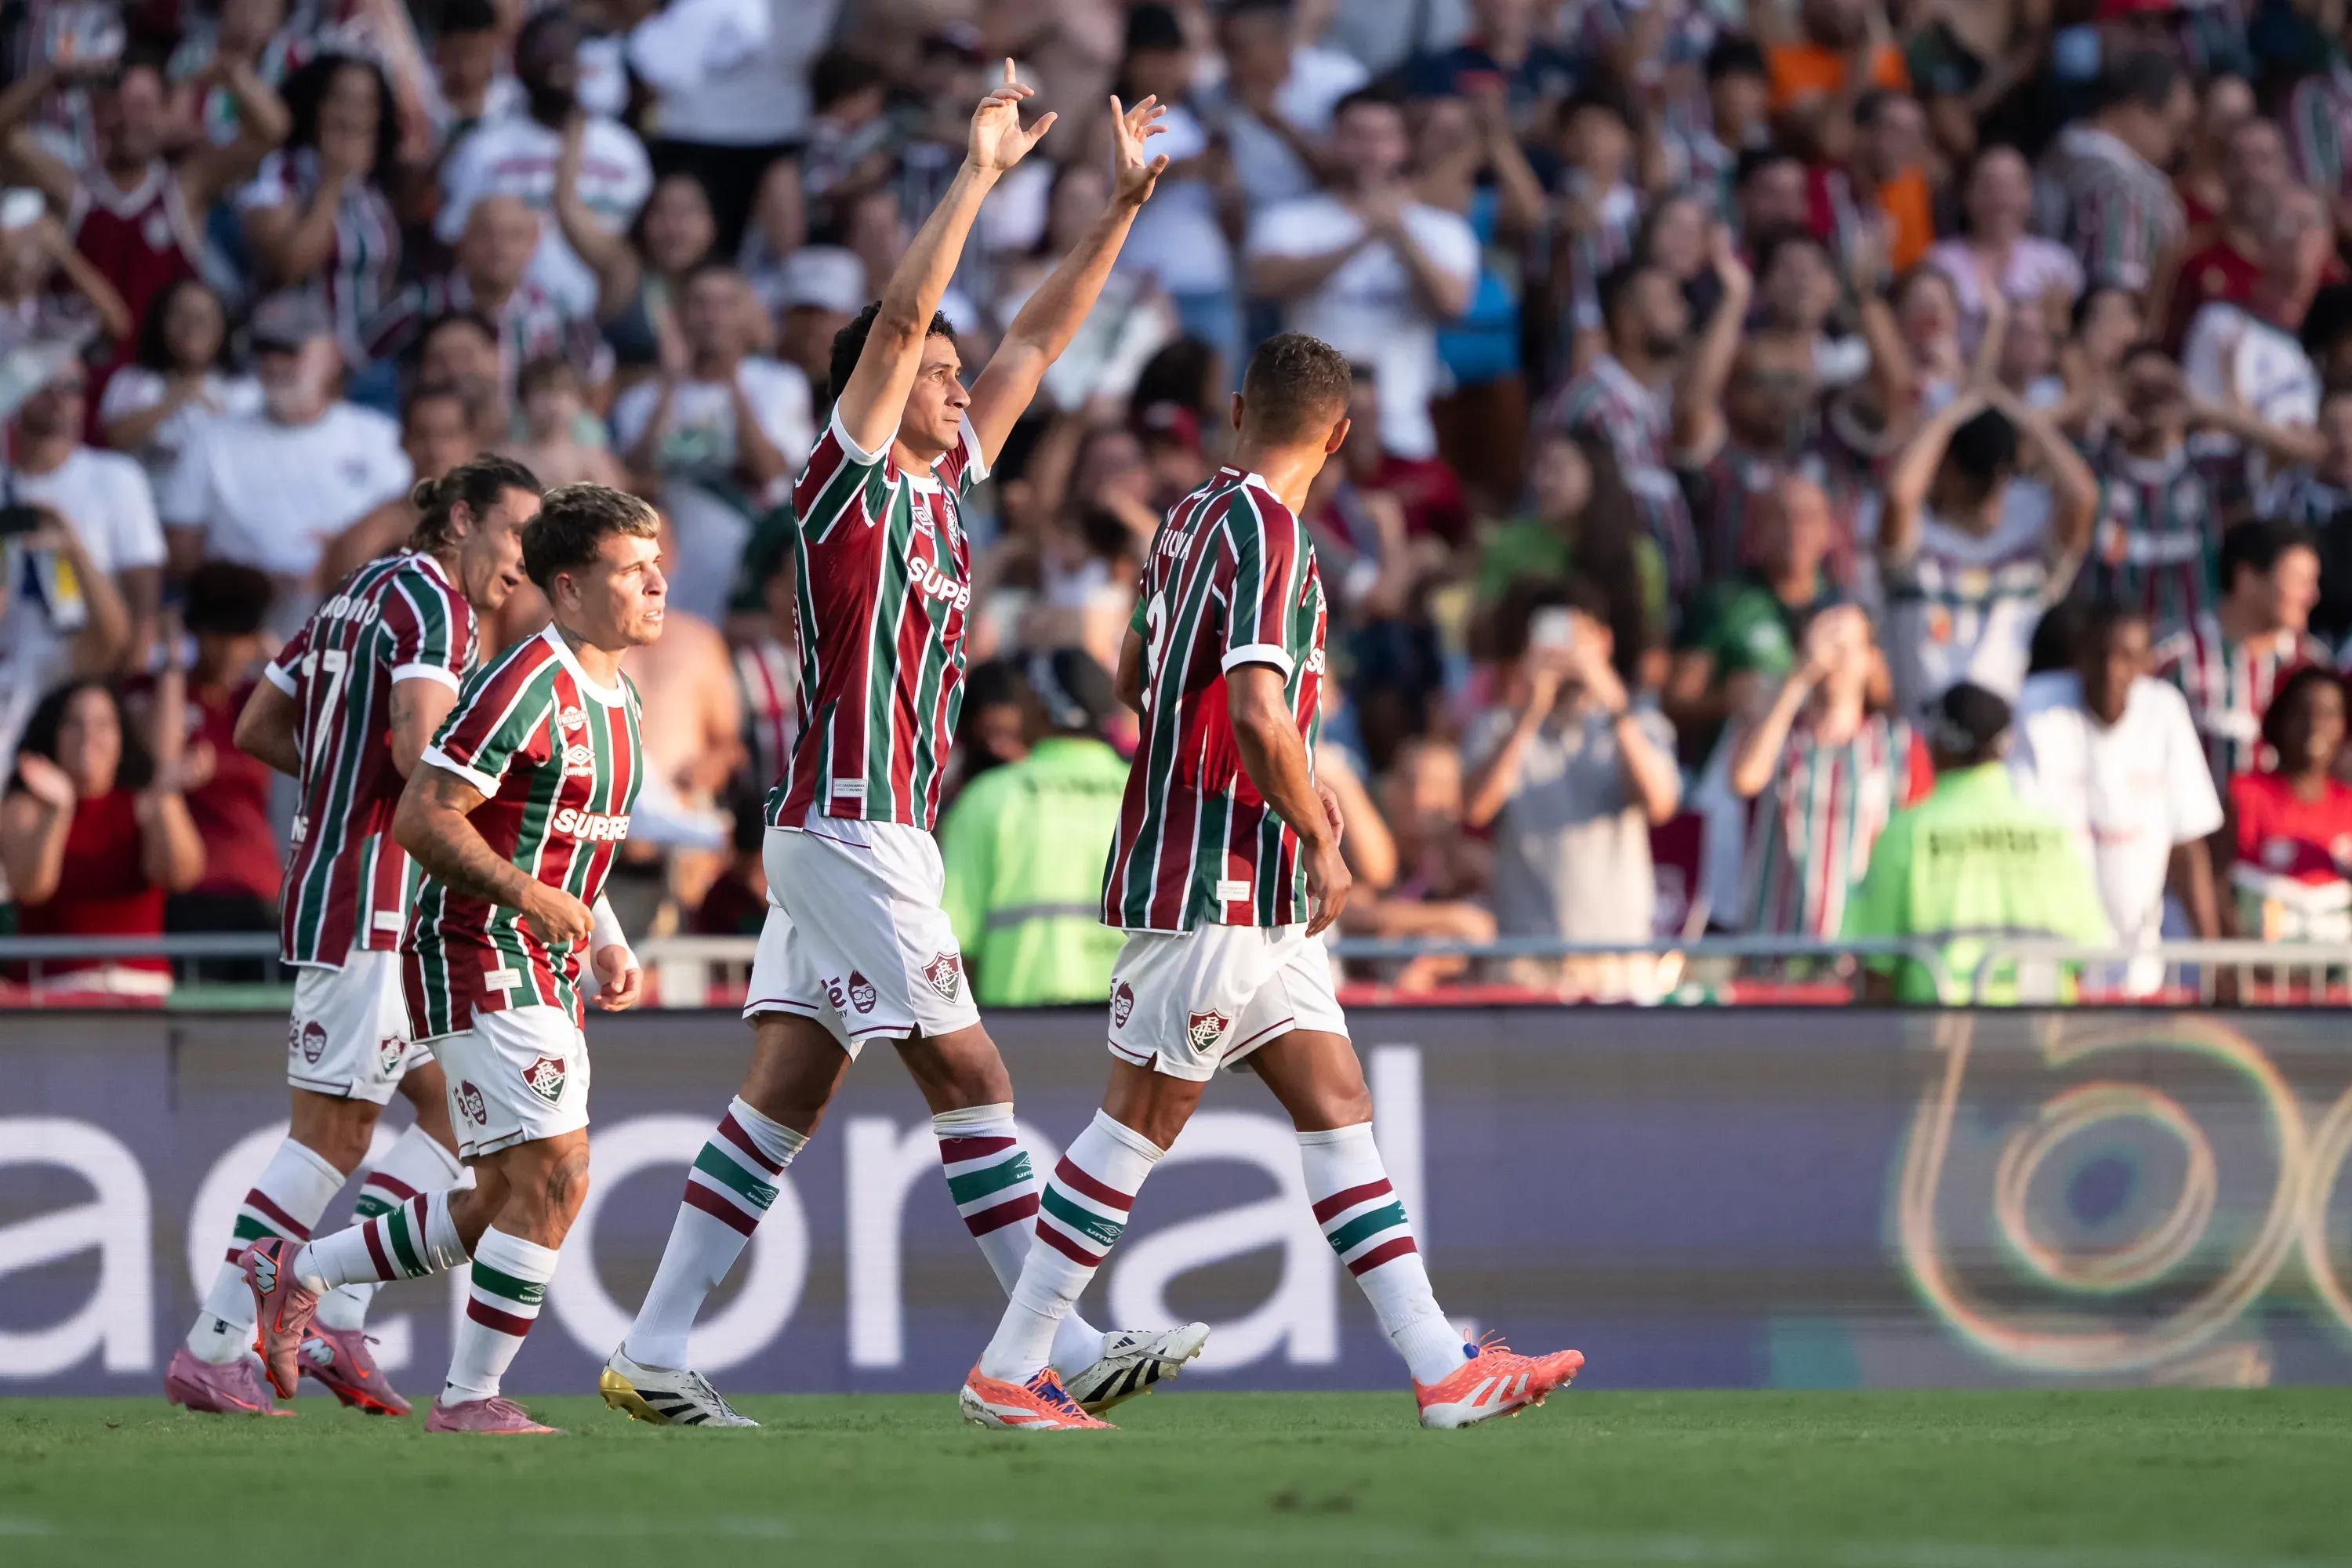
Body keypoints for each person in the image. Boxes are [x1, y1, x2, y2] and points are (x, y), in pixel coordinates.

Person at [599, 68, 1201, 1430]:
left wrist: (1117, 210)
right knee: (972, 1075)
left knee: (784, 1097)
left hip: (876, 831)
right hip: (848, 821)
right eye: (932, 373)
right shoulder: (848, 479)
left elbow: (1035, 342)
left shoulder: (945, 486)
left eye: (949, 376)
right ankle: (1045, 1349)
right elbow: (909, 317)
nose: (953, 383)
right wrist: (977, 176)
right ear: (874, 389)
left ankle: (652, 1347)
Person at [962, 329, 1582, 1432]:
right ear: (1338, 436)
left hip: (1250, 877)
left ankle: (1441, 1365)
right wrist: (1319, 831)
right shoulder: (1275, 534)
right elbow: (1254, 708)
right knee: (1137, 1121)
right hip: (1221, 874)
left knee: (1336, 1102)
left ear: (1240, 408)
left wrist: (1288, 774)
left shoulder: (1188, 517)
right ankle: (1011, 1366)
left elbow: (1134, 673)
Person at [241, 483, 659, 1436]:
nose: (655, 583)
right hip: (477, 947)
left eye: (656, 564)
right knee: (558, 1174)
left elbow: (561, 841)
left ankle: (300, 1270)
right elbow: (424, 815)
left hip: (540, 955)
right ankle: (470, 1397)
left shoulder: (623, 697)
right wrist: (529, 898)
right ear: (568, 585)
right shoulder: (524, 684)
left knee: (500, 1195)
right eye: (631, 567)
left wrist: (604, 933)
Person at [165, 457, 544, 1420]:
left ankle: (339, 1312)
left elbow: (260, 722)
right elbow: (420, 751)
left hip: (356, 889)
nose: (525, 558)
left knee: (459, 1110)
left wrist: (340, 775)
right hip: (369, 899)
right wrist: (496, 803)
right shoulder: (438, 607)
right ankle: (214, 1344)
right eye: (515, 533)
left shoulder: (355, 592)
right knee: (332, 1132)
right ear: (461, 521)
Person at [1463, 581, 1682, 999]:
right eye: (1550, 637)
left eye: (1576, 637)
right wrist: (1530, 710)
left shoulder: (1640, 724)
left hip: (1619, 958)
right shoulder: (1496, 729)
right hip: (1526, 961)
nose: (1564, 652)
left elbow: (1660, 804)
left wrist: (1614, 703)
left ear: (1605, 641)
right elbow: (1475, 809)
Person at [1246, 85, 1477, 469]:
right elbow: (1266, 283)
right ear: (1333, 141)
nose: (1370, 150)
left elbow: (1453, 305)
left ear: (1404, 146)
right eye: (1356, 136)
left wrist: (1398, 232)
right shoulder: (1287, 221)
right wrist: (1364, 234)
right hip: (1304, 425)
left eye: (1383, 137)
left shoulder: (1442, 229)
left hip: (1402, 424)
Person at [159, 292, 413, 640]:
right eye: (265, 349)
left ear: (331, 357)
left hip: (364, 624)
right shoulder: (211, 439)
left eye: (289, 350)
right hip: (246, 630)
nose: (275, 363)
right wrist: (257, 583)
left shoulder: (381, 437)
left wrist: (345, 557)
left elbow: (411, 528)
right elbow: (179, 556)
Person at [1840, 682, 2113, 1004]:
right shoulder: (2052, 834)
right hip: (2038, 1031)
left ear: (1940, 744)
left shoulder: (1905, 834)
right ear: (2004, 749)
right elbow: (2082, 955)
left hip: (1934, 1032)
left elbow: (1875, 972)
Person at [2, 53, 285, 352]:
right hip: (79, 372)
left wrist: (233, 75)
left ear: (165, 114)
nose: (129, 118)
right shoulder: (70, 188)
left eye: (142, 106)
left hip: (159, 374)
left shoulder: (185, 189)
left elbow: (271, 133)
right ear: (98, 112)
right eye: (118, 105)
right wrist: (52, 77)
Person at [2009, 604, 2223, 973]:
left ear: (2147, 666)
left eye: (2127, 659)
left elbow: (2188, 846)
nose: (2111, 670)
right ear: (2078, 660)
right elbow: (2018, 837)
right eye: (2100, 656)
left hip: (2136, 961)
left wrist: (2213, 960)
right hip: (2050, 958)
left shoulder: (2164, 711)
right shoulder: (2037, 708)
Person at [610, 263, 813, 622]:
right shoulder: (642, 399)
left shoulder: (779, 385)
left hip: (747, 566)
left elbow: (770, 470)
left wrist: (732, 382)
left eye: (727, 304)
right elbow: (631, 475)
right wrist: (670, 385)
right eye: (700, 304)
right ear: (680, 315)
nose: (712, 317)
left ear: (748, 315)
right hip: (672, 565)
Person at [1878, 386, 2099, 717]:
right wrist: (1959, 413)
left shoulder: (2031, 532)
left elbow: (2083, 496)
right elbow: (1899, 495)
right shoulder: (1919, 541)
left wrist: (2013, 412)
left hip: (2006, 739)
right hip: (1927, 736)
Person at [938, 648, 1131, 1007]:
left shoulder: (987, 798)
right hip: (1129, 1014)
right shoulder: (1144, 796)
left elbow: (952, 943)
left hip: (1017, 1016)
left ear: (1041, 707)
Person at [435, 10, 652, 321]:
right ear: (519, 61)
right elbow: (454, 236)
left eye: (565, 50)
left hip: (603, 322)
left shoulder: (624, 150)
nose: (554, 60)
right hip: (505, 323)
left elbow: (641, 248)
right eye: (542, 49)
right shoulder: (484, 148)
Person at [1728, 604, 1926, 938]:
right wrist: (1796, 682)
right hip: (1778, 943)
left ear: (1870, 660)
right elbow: (1744, 780)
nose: (1835, 659)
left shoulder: (1901, 748)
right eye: (1824, 643)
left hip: (1864, 948)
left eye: (1848, 646)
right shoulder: (1775, 733)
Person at [1, 676, 205, 995]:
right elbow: (30, 888)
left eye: (103, 724)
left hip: (139, 992)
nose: (88, 736)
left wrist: (165, 795)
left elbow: (182, 875)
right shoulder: (26, 806)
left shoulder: (143, 803)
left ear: (121, 737)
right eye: (74, 723)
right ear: (54, 733)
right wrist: (59, 812)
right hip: (50, 994)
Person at [238, 52, 403, 382]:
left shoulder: (377, 187)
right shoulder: (278, 174)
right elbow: (290, 266)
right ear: (317, 105)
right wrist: (332, 181)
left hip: (366, 367)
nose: (352, 116)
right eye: (340, 99)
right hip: (292, 364)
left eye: (366, 103)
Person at [146, 563, 281, 949]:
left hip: (258, 887)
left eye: (242, 639)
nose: (230, 653)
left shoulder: (253, 698)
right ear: (196, 632)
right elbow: (160, 760)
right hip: (190, 889)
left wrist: (280, 660)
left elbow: (324, 722)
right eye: (218, 638)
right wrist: (172, 661)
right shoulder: (163, 693)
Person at [8, 358, 165, 670]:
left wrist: (129, 668)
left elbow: (143, 586)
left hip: (86, 665)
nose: (59, 397)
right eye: (45, 384)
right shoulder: (5, 484)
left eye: (73, 387)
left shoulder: (116, 476)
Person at [2153, 518, 2332, 786]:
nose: (2312, 595)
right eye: (2298, 580)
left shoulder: (2313, 666)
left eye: (2313, 582)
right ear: (2246, 579)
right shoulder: (2173, 657)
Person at [96, 277, 261, 493]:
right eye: (181, 314)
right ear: (161, 322)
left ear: (223, 326)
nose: (192, 326)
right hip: (147, 500)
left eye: (204, 317)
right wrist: (173, 401)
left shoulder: (244, 389)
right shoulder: (134, 379)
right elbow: (112, 440)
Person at [2042, 51, 2188, 292]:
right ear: (2138, 109)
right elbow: (2117, 291)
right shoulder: (2119, 183)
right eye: (2176, 128)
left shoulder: (2065, 150)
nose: (2178, 145)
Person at [2224, 666, 2352, 940]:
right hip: (2258, 963)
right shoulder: (2244, 795)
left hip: (2339, 965)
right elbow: (2214, 885)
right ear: (2280, 717)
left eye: (2329, 714)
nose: (2315, 725)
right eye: (2302, 712)